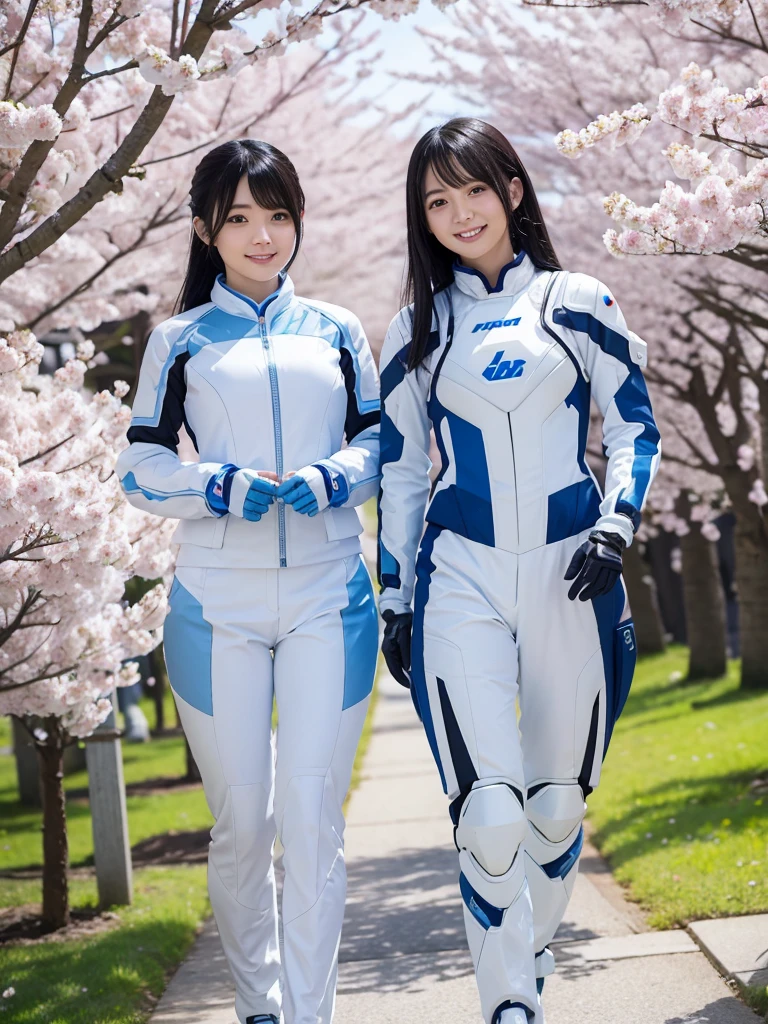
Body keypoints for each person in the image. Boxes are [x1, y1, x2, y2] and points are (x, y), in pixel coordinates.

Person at [377, 118, 661, 1024]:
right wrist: (395, 596)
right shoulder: (417, 327)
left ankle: (527, 962)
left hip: (573, 571)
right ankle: (510, 1007)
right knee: (489, 814)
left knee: (553, 811)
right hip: (460, 572)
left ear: (512, 190)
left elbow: (633, 428)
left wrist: (617, 526)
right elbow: (397, 470)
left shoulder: (579, 300)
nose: (458, 213)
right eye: (436, 200)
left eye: (472, 190)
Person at [117, 139, 380, 1024]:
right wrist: (213, 487)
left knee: (311, 822)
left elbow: (380, 443)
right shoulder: (178, 341)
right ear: (205, 229)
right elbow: (140, 465)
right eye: (239, 218)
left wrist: (332, 476)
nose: (263, 235)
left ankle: (310, 1015)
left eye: (278, 215)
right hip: (215, 609)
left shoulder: (338, 329)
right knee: (243, 823)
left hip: (327, 598)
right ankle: (259, 1007)